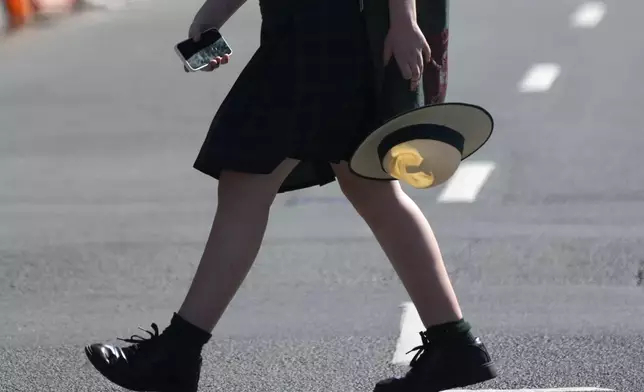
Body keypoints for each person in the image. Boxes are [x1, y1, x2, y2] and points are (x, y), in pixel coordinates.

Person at [84, 0, 498, 391]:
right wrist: (209, 20)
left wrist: (404, 19)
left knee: (248, 178)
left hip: (325, 34)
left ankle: (177, 352)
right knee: (367, 186)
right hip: (307, 31)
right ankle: (453, 343)